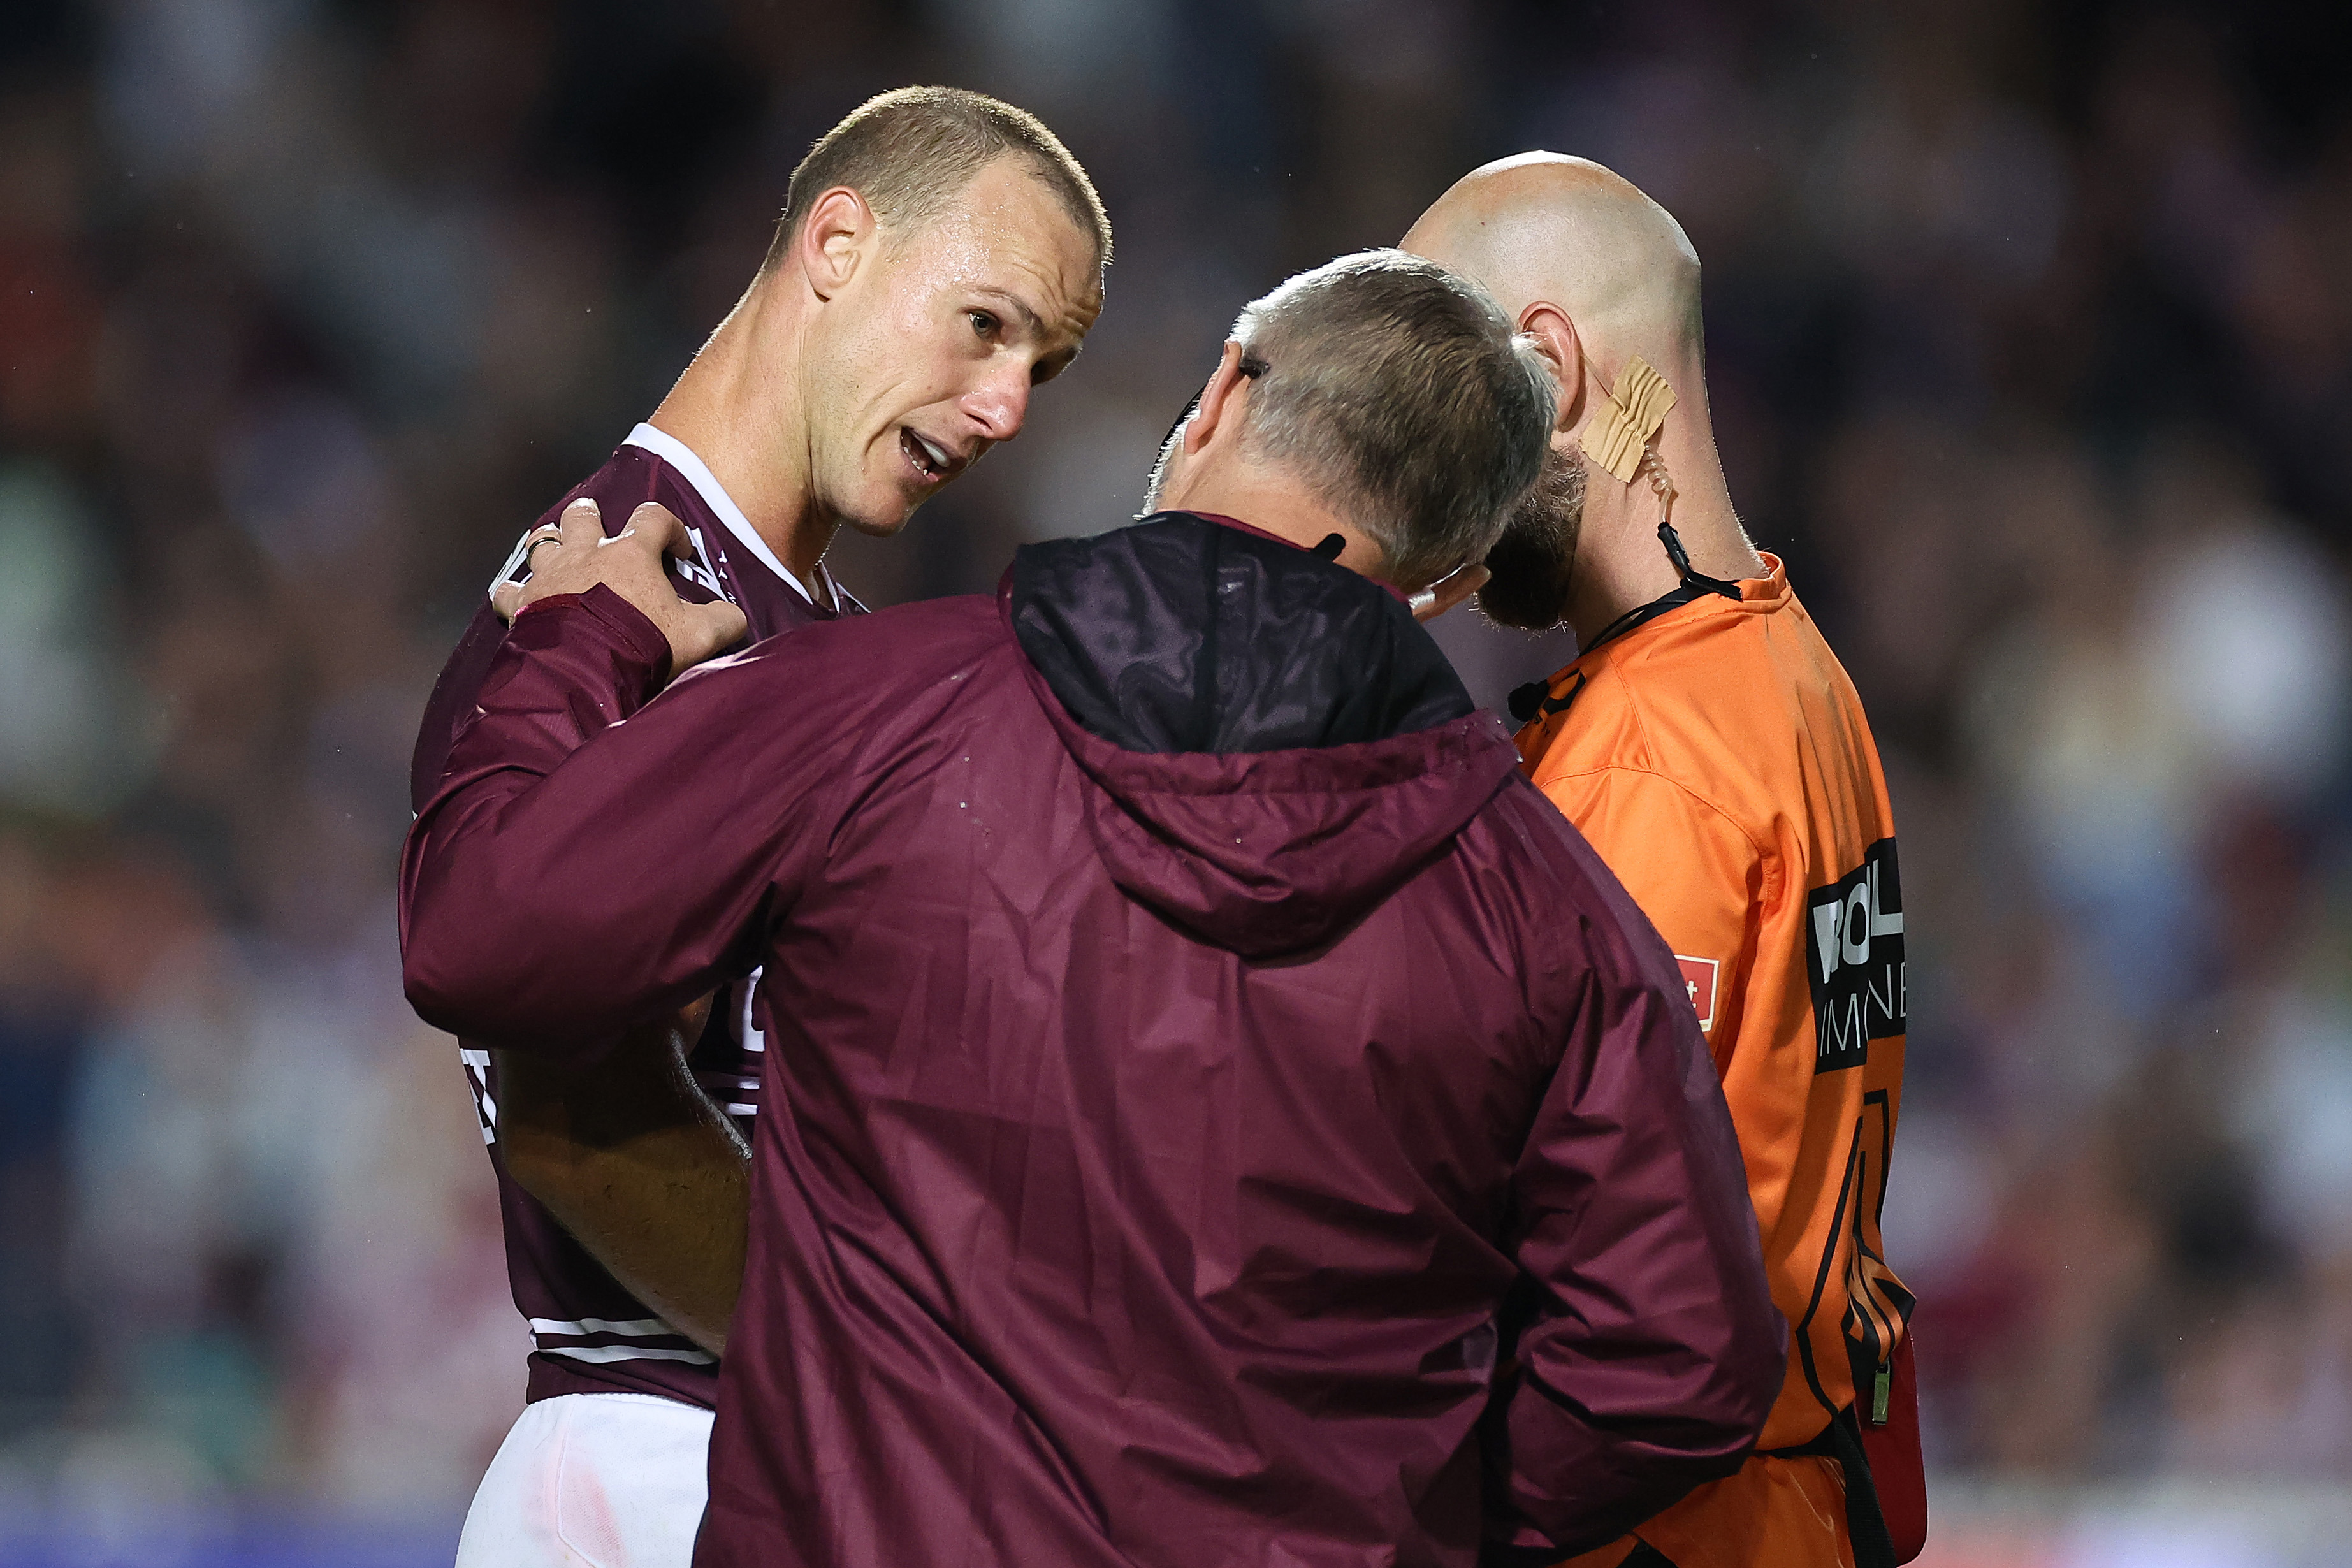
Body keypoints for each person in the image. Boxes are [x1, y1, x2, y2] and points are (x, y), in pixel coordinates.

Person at [402, 250, 1783, 1567]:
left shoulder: (882, 708)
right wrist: (1396, 1502)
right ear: (1457, 575)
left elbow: (484, 937)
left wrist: (581, 640)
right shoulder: (1549, 909)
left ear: (1227, 391)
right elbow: (1680, 1363)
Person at [407, 85, 1110, 1568]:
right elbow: (581, 1127)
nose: (1007, 407)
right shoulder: (629, 598)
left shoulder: (760, 619)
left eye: (1045, 362)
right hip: (677, 1465)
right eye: (985, 324)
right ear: (838, 244)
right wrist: (900, 1374)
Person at [1403, 154, 1921, 1568]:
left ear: (1552, 370)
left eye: (1438, 403)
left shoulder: (1647, 763)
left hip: (1657, 1532)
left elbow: (1576, 1263)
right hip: (1800, 1504)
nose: (1423, 479)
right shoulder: (1801, 676)